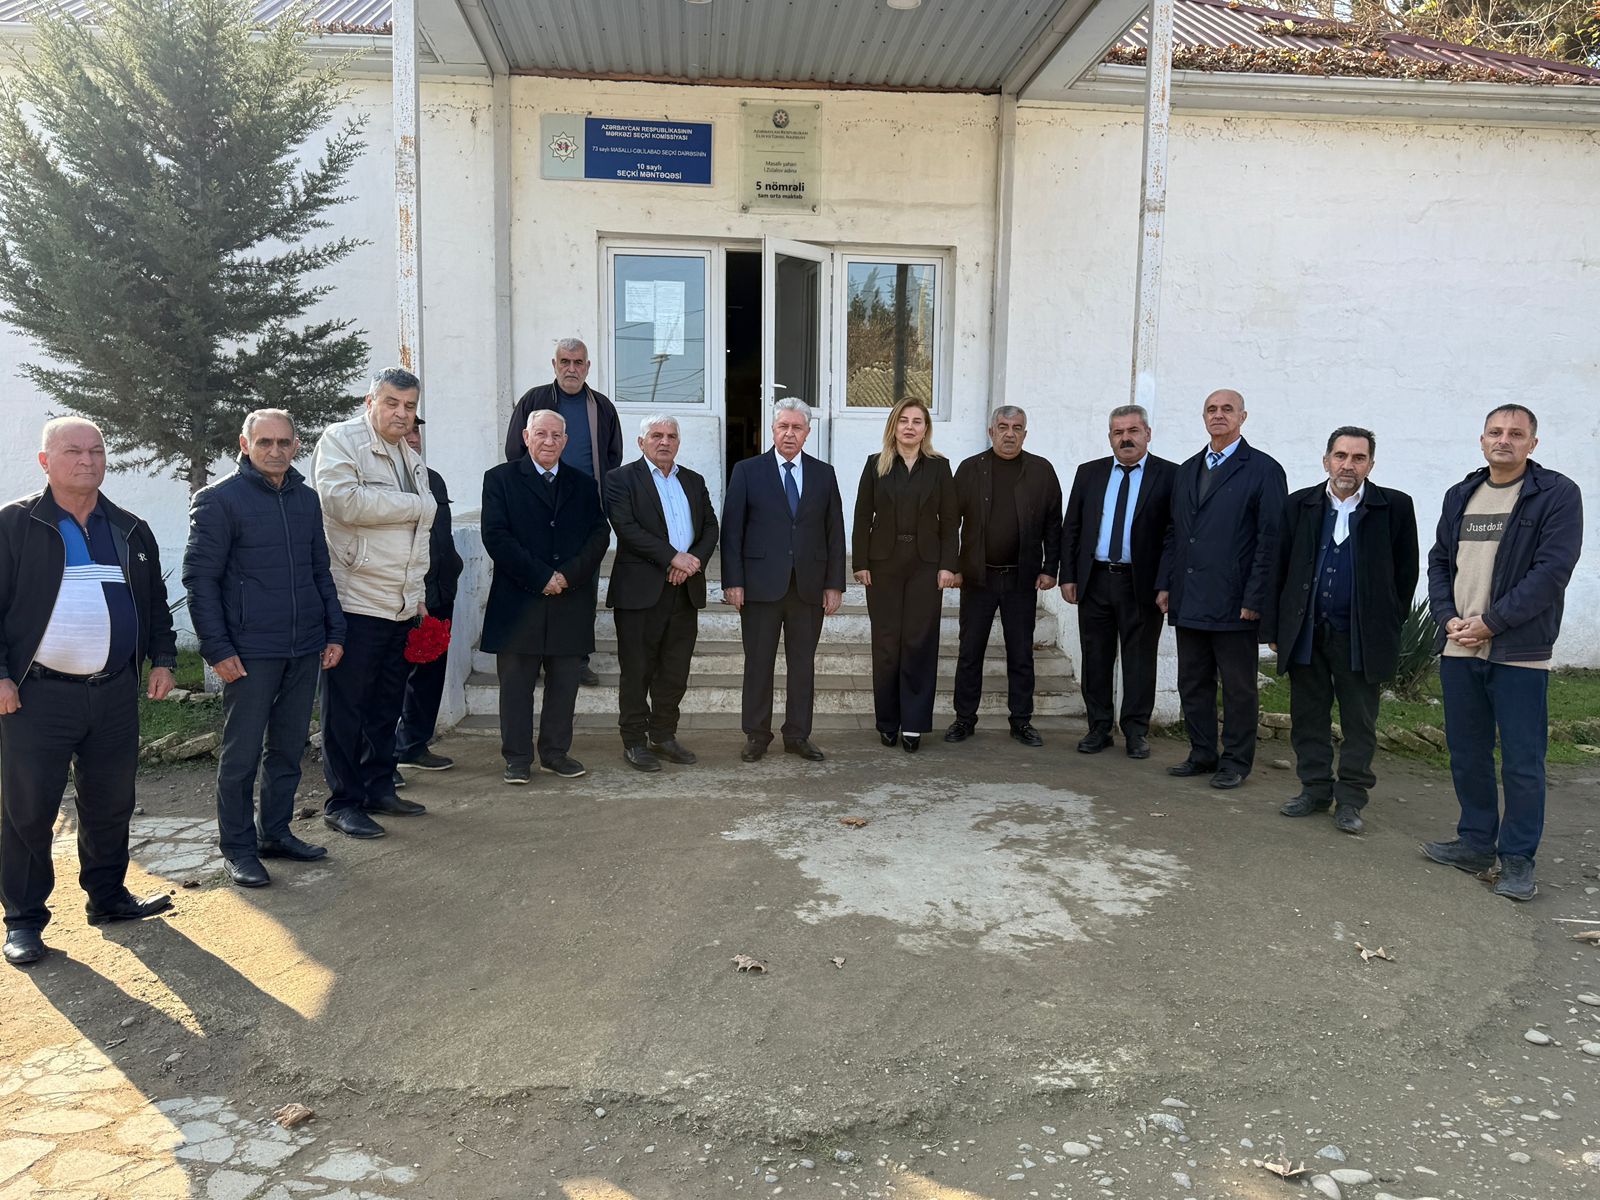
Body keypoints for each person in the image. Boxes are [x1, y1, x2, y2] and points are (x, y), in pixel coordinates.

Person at [0, 418, 177, 966]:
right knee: (28, 810)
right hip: (36, 696)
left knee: (110, 801)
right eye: (73, 451)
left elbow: (154, 603)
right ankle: (24, 920)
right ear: (45, 461)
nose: (87, 460)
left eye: (96, 451)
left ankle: (108, 897)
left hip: (114, 693)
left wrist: (164, 658)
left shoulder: (128, 528)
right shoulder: (15, 525)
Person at [1421, 405, 1583, 901]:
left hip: (1518, 650)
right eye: (1495, 431)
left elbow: (1551, 571)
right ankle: (1475, 843)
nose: (1504, 440)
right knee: (1467, 752)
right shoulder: (1461, 494)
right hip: (1459, 645)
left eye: (1516, 433)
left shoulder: (1556, 494)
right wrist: (1447, 616)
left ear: (1533, 443)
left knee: (1521, 760)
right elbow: (1440, 562)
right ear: (1482, 439)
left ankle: (1517, 859)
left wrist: (1492, 622)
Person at [184, 410, 345, 888]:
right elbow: (200, 580)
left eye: (283, 442)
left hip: (304, 645)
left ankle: (274, 833)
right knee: (241, 755)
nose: (275, 451)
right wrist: (216, 647)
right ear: (245, 444)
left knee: (288, 748)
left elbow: (320, 570)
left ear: (296, 445)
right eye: (264, 442)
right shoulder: (218, 500)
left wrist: (334, 631)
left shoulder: (306, 499)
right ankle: (238, 849)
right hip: (249, 651)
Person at [1274, 427, 1418, 835]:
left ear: (1371, 464)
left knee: (1359, 721)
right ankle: (1315, 789)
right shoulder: (1299, 504)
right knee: (1308, 716)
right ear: (1326, 461)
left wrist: (1385, 623)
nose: (1347, 465)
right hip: (1308, 631)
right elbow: (1280, 567)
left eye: (1358, 458)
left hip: (1359, 637)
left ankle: (1351, 799)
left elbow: (1405, 572)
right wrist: (1278, 628)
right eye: (1340, 456)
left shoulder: (1394, 507)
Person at [312, 368, 436, 839]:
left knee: (386, 705)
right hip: (355, 599)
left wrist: (417, 594)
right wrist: (415, 505)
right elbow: (342, 502)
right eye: (392, 403)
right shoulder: (341, 440)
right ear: (370, 402)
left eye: (409, 406)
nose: (401, 414)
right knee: (347, 709)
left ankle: (378, 787)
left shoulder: (410, 456)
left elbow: (418, 538)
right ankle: (342, 801)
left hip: (399, 603)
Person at [1156, 389, 1287, 790]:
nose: (1218, 415)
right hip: (1189, 595)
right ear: (1203, 417)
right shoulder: (1187, 470)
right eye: (1211, 409)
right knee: (1192, 681)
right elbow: (1175, 532)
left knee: (1238, 687)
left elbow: (1271, 540)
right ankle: (1202, 752)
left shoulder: (1263, 470)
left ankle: (1235, 761)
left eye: (1227, 409)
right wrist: (1165, 583)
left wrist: (1255, 597)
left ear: (1242, 417)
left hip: (1235, 602)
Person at [481, 410, 610, 785]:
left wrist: (567, 575)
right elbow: (496, 536)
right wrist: (541, 577)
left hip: (569, 600)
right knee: (516, 687)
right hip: (519, 602)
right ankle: (517, 758)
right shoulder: (500, 479)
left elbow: (599, 535)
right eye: (541, 434)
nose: (549, 441)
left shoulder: (583, 484)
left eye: (556, 435)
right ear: (526, 437)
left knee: (565, 684)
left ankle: (555, 753)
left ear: (566, 441)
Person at [721, 399, 846, 763]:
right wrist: (733, 581)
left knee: (802, 665)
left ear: (808, 433)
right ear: (772, 430)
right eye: (783, 427)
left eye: (797, 428)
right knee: (758, 663)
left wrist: (834, 583)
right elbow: (732, 530)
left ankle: (798, 734)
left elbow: (834, 531)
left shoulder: (824, 474)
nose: (790, 434)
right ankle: (757, 734)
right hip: (760, 586)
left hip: (808, 586)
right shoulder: (747, 471)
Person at [503, 338, 622, 688]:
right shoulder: (534, 400)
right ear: (554, 365)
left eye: (578, 362)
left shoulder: (602, 407)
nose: (572, 368)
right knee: (536, 580)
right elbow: (514, 451)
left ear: (588, 367)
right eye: (565, 361)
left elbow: (612, 456)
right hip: (537, 508)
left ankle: (576, 658)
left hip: (583, 511)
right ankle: (534, 655)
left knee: (580, 586)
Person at [1060, 405, 1176, 759]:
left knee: (1140, 660)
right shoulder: (1089, 473)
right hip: (1095, 579)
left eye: (1133, 431)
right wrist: (1069, 575)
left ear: (1147, 434)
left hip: (1141, 584)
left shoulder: (1171, 475)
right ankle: (1099, 728)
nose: (1125, 439)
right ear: (1110, 437)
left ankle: (1136, 732)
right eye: (1118, 432)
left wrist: (1167, 582)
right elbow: (1072, 526)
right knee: (1095, 657)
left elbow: (1174, 534)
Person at [605, 415, 719, 771]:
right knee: (637, 670)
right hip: (640, 592)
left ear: (678, 443)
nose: (664, 441)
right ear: (641, 442)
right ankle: (634, 741)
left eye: (671, 436)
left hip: (685, 590)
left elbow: (710, 526)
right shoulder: (620, 479)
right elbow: (626, 528)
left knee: (674, 670)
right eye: (656, 435)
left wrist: (692, 562)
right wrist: (673, 557)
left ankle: (663, 735)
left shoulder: (693, 480)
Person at [947, 405, 1062, 747]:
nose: (1009, 433)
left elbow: (1054, 524)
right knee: (970, 652)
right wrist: (953, 565)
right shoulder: (970, 469)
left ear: (1025, 433)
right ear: (991, 431)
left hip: (1021, 580)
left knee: (1021, 653)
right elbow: (950, 521)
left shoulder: (1041, 471)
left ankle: (1021, 721)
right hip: (977, 578)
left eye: (1017, 427)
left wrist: (1050, 568)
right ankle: (964, 719)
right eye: (1003, 426)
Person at [852, 399, 958, 752]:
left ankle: (913, 724)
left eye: (917, 421)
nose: (910, 427)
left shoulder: (940, 467)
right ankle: (887, 722)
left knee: (919, 643)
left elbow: (950, 521)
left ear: (926, 429)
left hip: (926, 565)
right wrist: (860, 562)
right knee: (886, 645)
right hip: (883, 564)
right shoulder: (876, 465)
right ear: (894, 426)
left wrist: (948, 565)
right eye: (904, 420)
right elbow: (862, 516)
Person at [393, 416, 464, 782]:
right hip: (401, 598)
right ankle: (381, 760)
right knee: (392, 681)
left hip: (439, 593)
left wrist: (452, 568)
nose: (412, 437)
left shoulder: (432, 479)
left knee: (430, 676)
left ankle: (413, 745)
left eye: (416, 430)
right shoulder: (381, 483)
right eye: (404, 430)